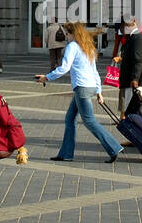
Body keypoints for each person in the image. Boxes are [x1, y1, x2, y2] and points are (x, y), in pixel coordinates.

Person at [38, 22, 123, 163]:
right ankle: (66, 154)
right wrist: (99, 91)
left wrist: (47, 77)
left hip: (82, 88)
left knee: (89, 121)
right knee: (70, 119)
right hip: (88, 86)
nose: (65, 35)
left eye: (67, 33)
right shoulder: (87, 47)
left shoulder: (72, 47)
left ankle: (113, 147)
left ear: (73, 34)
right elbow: (94, 72)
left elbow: (65, 67)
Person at [115, 14, 142, 115]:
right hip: (136, 79)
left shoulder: (138, 38)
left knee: (136, 108)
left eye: (121, 29)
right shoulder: (133, 37)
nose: (121, 32)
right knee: (138, 107)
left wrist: (135, 78)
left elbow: (138, 60)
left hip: (139, 80)